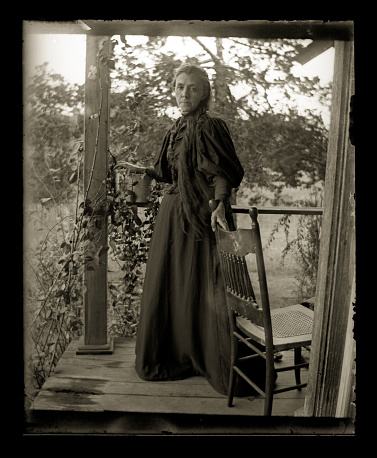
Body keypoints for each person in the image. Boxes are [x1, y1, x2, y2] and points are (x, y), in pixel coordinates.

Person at [116, 63, 268, 396]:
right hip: (172, 219)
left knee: (210, 288)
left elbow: (223, 173)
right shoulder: (176, 128)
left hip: (201, 216)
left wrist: (217, 206)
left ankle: (213, 360)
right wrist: (142, 169)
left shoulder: (211, 126)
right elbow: (168, 172)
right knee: (174, 287)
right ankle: (179, 355)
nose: (184, 94)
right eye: (179, 86)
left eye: (192, 88)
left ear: (204, 92)